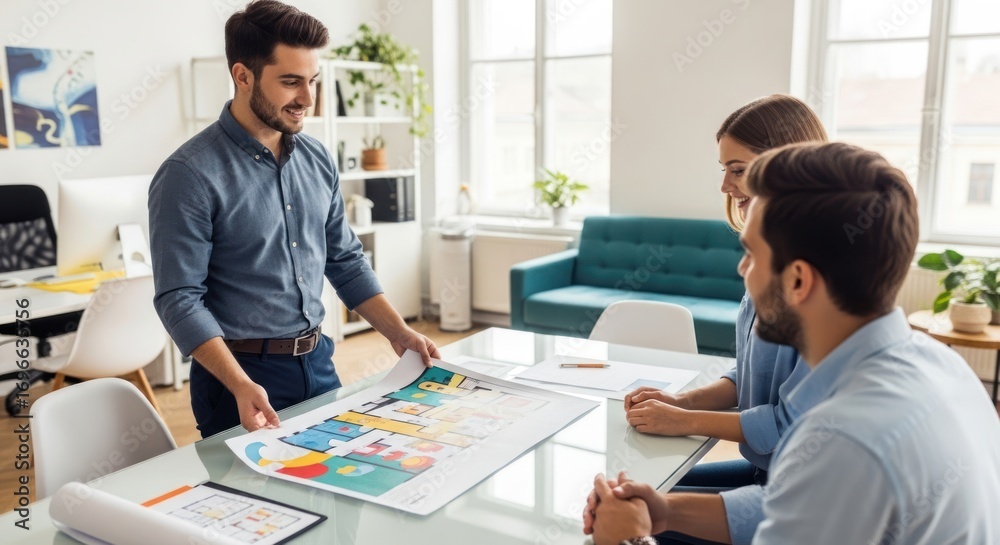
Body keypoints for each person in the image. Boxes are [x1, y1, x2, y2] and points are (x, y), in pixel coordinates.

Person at [584, 142, 1000, 545]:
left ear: (798, 281)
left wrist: (630, 539)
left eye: (751, 255)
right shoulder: (942, 365)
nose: (741, 268)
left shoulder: (843, 436)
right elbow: (803, 506)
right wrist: (665, 513)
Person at [148, 0, 438, 439]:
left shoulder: (318, 157)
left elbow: (345, 260)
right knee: (258, 507)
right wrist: (240, 383)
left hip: (319, 361)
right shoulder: (188, 175)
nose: (307, 98)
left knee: (340, 492)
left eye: (313, 81)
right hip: (239, 380)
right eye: (290, 82)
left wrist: (399, 333)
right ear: (242, 76)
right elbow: (179, 299)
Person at [624, 95, 826, 493]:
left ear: (786, 166)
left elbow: (793, 424)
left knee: (641, 507)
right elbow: (749, 374)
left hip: (802, 491)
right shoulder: (769, 257)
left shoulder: (816, 280)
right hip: (767, 474)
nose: (724, 185)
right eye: (724, 169)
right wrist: (681, 402)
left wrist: (686, 421)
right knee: (638, 490)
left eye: (738, 169)